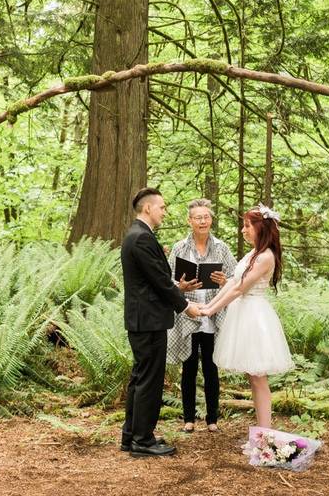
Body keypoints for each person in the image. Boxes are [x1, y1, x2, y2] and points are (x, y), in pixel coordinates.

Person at [120, 187, 203, 458]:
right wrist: (186, 306)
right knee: (150, 381)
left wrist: (178, 288)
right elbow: (157, 281)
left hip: (144, 319)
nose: (165, 212)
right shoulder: (141, 238)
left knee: (140, 378)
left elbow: (153, 279)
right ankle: (143, 440)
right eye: (162, 207)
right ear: (148, 208)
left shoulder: (139, 236)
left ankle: (131, 435)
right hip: (149, 320)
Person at [201, 204, 293, 428]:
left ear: (260, 228)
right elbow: (232, 282)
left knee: (258, 377)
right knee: (252, 377)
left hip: (255, 318)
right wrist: (207, 305)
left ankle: (265, 435)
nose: (243, 230)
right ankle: (261, 434)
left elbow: (239, 289)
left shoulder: (266, 257)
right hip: (243, 314)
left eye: (247, 226)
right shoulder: (253, 254)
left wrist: (210, 311)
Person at [166, 199, 237, 433]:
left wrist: (224, 281)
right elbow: (168, 281)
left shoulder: (222, 248)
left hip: (213, 314)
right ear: (190, 221)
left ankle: (212, 419)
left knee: (211, 367)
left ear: (211, 220)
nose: (203, 221)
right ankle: (188, 419)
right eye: (198, 217)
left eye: (206, 217)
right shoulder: (179, 248)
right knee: (189, 368)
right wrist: (181, 286)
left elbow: (236, 280)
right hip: (189, 313)